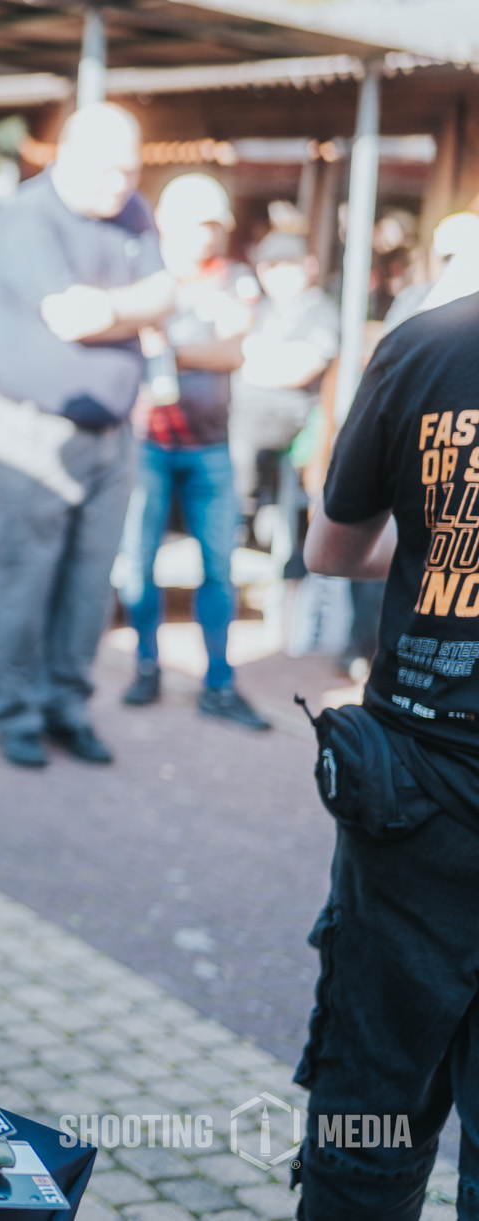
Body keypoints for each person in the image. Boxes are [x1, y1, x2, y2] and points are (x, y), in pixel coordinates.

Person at [292, 291, 479, 1220]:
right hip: (415, 786)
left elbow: (332, 548)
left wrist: (441, 545)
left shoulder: (429, 344)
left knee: (369, 1121)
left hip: (421, 788)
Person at [0, 103, 176, 768]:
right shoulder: (27, 215)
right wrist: (136, 307)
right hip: (29, 431)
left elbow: (164, 296)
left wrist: (111, 308)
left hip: (112, 434)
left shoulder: (133, 210)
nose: (122, 183)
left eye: (131, 170)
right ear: (66, 155)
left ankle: (67, 705)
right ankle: (17, 713)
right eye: (109, 170)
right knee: (23, 583)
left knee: (90, 587)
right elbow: (71, 317)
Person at [116, 173, 268, 729]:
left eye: (213, 225)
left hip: (210, 445)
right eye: (198, 223)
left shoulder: (234, 279)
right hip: (148, 442)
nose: (207, 235)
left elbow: (232, 352)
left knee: (219, 569)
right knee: (139, 564)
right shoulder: (145, 274)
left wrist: (167, 347)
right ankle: (146, 666)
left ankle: (219, 682)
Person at [231, 231, 338, 527]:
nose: (280, 275)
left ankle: (241, 513)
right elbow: (231, 352)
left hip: (290, 414)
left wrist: (252, 362)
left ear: (308, 266)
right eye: (272, 267)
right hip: (242, 405)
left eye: (288, 265)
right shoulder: (259, 308)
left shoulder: (321, 311)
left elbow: (303, 369)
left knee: (239, 433)